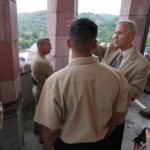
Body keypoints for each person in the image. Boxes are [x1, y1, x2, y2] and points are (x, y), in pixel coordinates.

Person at [34, 18, 129, 150]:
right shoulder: (118, 77)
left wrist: (47, 147)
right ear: (94, 44)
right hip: (102, 144)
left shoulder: (55, 81)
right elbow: (119, 115)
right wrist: (106, 133)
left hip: (67, 146)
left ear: (69, 43)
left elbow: (51, 129)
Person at [93, 19, 150, 150]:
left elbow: (135, 91)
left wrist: (109, 86)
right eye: (114, 32)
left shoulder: (142, 64)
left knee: (110, 143)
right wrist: (82, 30)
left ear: (132, 36)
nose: (115, 36)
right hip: (96, 107)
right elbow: (95, 48)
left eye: (120, 33)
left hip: (115, 112)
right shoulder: (112, 49)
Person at [31, 37, 54, 141]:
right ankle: (42, 138)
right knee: (43, 114)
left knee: (37, 110)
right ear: (40, 46)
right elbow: (54, 78)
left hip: (36, 87)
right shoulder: (42, 62)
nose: (51, 47)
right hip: (42, 91)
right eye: (48, 45)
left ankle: (36, 130)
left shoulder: (37, 57)